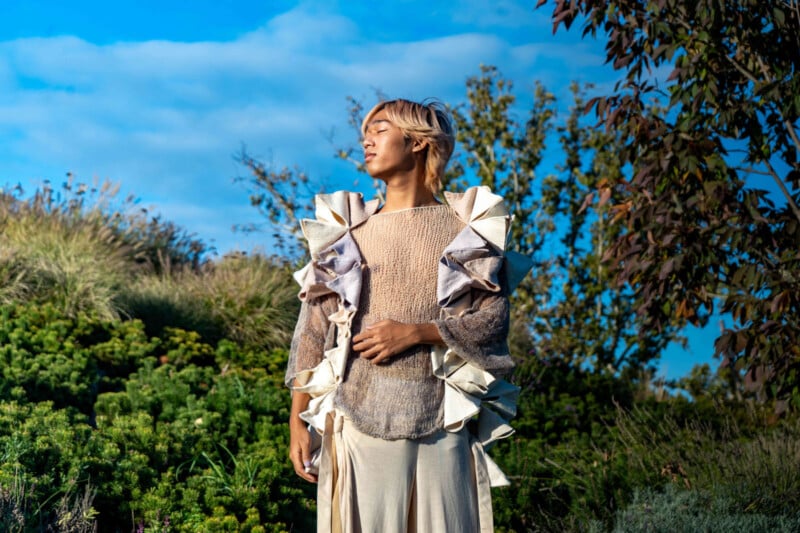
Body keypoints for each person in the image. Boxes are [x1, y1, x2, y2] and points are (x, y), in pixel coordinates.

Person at [286, 98, 528, 533]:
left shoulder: (467, 232)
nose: (367, 139)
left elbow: (492, 323)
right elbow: (311, 334)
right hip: (358, 417)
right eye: (367, 131)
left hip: (442, 423)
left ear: (417, 142)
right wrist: (297, 422)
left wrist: (417, 332)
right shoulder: (347, 235)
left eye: (380, 129)